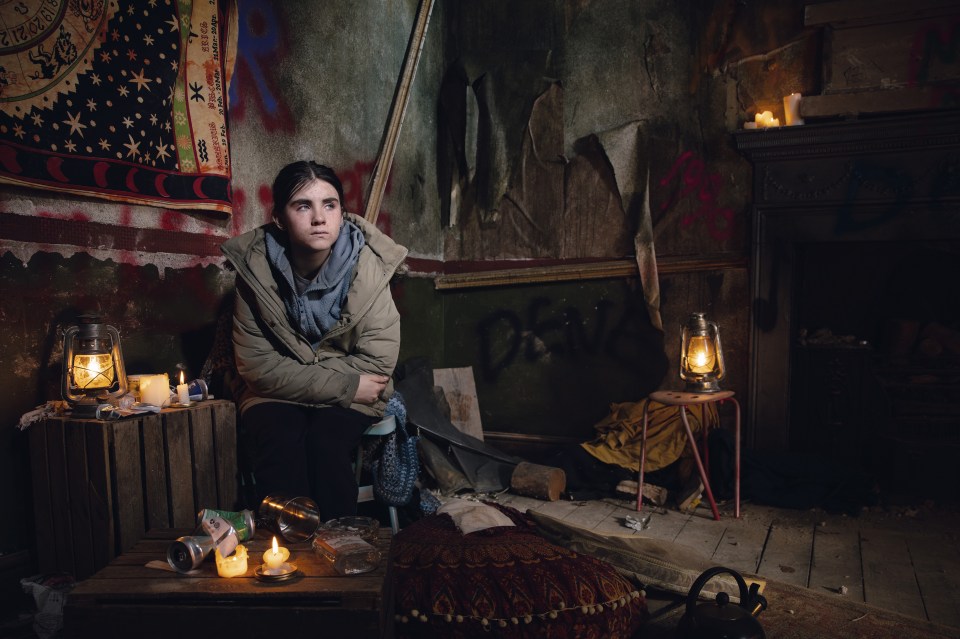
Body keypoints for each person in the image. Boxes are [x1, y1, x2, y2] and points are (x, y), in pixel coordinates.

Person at [220, 160, 408, 520]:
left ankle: (339, 545)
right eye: (302, 206)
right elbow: (258, 368)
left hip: (352, 389)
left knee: (326, 441)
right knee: (281, 437)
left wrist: (303, 376)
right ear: (279, 218)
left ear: (341, 214)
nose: (319, 218)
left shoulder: (372, 269)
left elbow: (377, 363)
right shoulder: (254, 273)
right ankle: (286, 547)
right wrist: (343, 385)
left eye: (330, 205)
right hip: (310, 389)